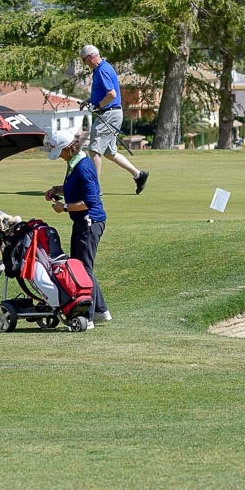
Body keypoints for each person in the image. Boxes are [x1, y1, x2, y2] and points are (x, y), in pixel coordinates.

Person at [44, 129, 111, 328]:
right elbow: (75, 188)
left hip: (90, 222)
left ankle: (87, 318)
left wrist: (64, 207)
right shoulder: (74, 163)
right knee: (81, 266)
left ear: (68, 149)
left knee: (82, 270)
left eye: (60, 152)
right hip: (82, 222)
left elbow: (89, 202)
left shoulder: (83, 167)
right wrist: (57, 189)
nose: (59, 156)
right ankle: (100, 311)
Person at [78, 44, 149, 194]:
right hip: (112, 113)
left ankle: (94, 189)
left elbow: (111, 94)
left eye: (84, 60)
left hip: (109, 113)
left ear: (91, 57)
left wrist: (97, 106)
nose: (85, 64)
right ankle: (138, 175)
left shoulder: (102, 70)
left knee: (94, 150)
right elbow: (104, 93)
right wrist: (90, 101)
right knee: (110, 152)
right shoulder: (103, 68)